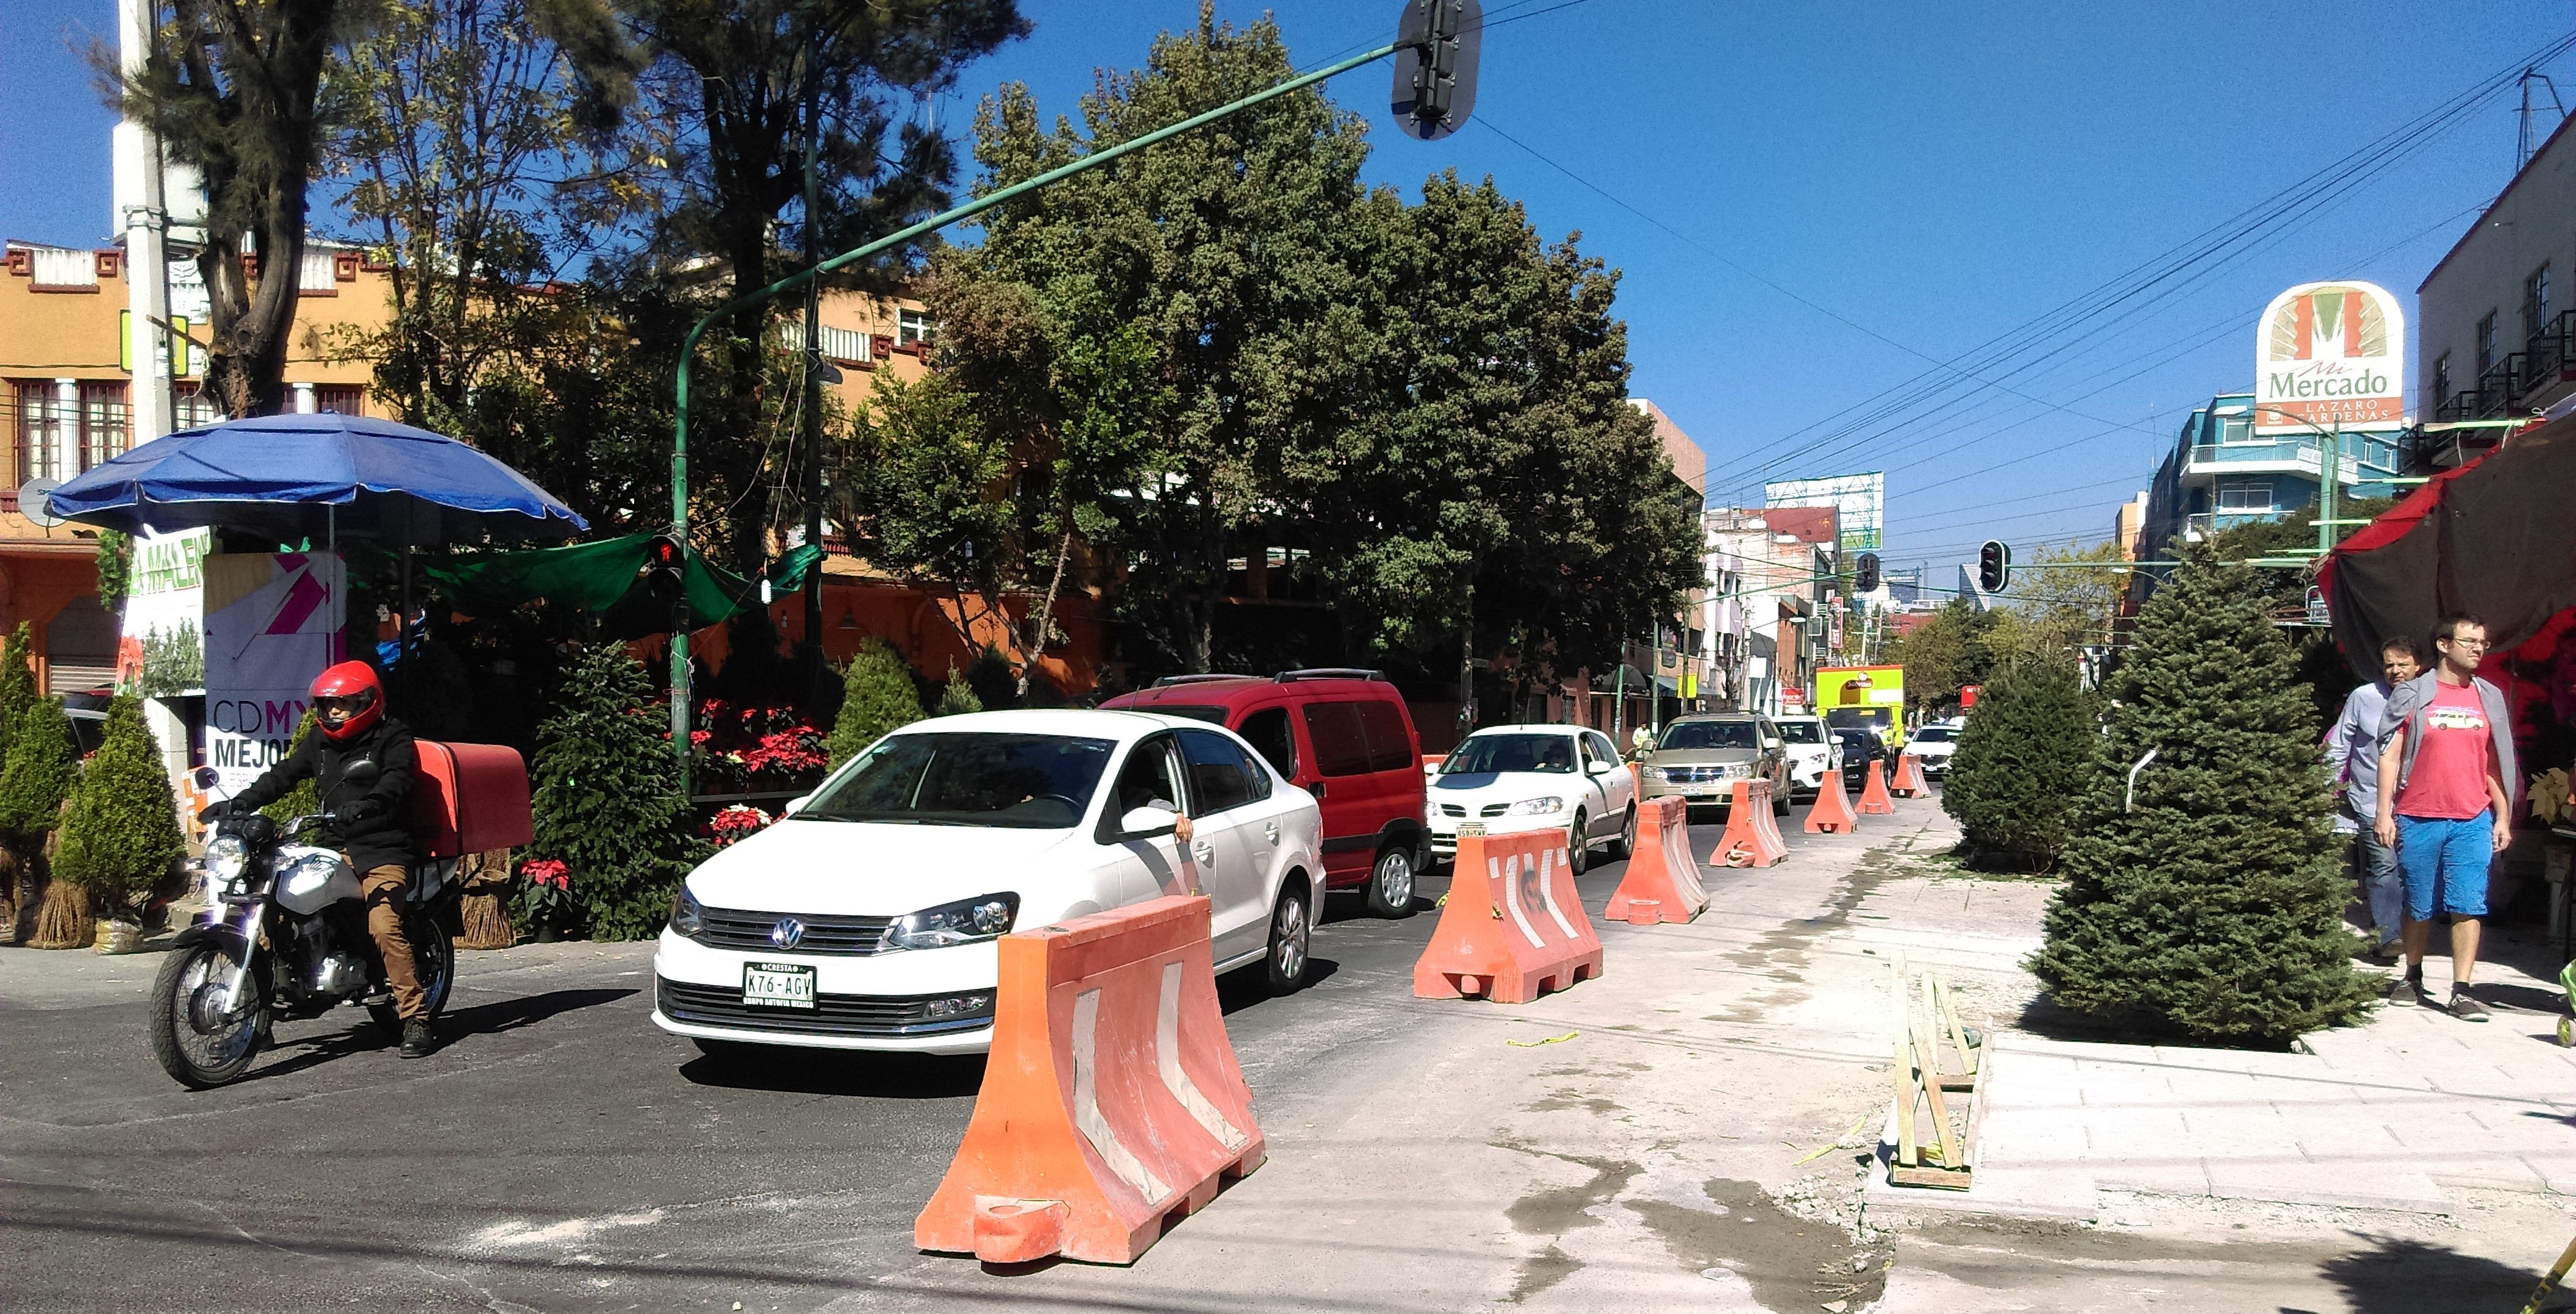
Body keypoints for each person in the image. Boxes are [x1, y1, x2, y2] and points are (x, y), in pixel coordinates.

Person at [209, 662, 434, 1057]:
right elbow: (284, 774)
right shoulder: (319, 740)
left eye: (342, 705)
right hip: (331, 845)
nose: (333, 713)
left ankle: (415, 1018)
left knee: (382, 925)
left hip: (381, 849)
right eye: (328, 705)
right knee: (269, 913)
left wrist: (370, 804)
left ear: (366, 702)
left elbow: (397, 779)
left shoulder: (392, 735)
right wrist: (241, 801)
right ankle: (258, 1019)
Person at [2375, 614, 2519, 1021]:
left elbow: (2495, 762)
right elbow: (2390, 754)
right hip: (2419, 815)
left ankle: (2462, 989)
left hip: (2473, 816)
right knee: (2419, 903)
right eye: (2470, 641)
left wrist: (2503, 815)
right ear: (2443, 645)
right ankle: (2413, 975)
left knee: (2469, 902)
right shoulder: (2413, 695)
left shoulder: (2488, 697)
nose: (2478, 649)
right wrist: (2383, 812)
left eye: (2483, 643)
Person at [2324, 635, 2422, 961]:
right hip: (2370, 798)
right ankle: (2388, 935)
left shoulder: (2430, 700)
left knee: (2411, 868)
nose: (2395, 671)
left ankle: (2408, 928)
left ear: (2419, 666)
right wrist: (2327, 786)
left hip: (2419, 803)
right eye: (2389, 665)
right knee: (2384, 865)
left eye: (2403, 665)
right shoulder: (2364, 697)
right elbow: (2341, 742)